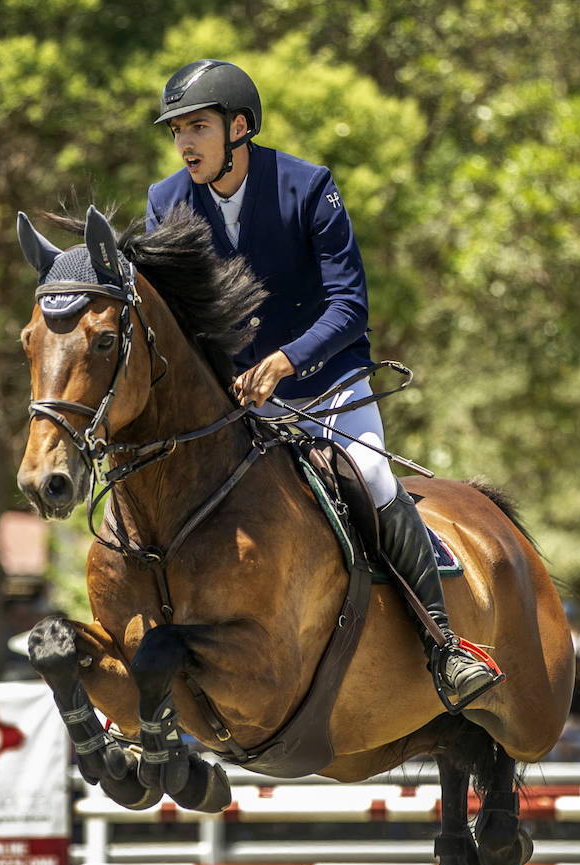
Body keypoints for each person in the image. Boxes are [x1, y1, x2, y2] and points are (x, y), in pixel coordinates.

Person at [144, 59, 498, 710]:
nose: (185, 143)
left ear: (239, 127)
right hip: (234, 404)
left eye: (197, 127)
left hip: (328, 386)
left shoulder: (307, 188)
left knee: (375, 478)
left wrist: (285, 361)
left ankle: (444, 646)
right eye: (177, 132)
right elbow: (172, 320)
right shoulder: (166, 202)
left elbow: (349, 307)